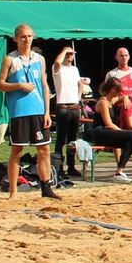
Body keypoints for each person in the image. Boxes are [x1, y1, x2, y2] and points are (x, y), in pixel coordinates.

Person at [0, 24, 60, 200]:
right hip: (19, 111)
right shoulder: (10, 59)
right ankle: (13, 191)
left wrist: (47, 111)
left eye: (30, 36)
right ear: (16, 38)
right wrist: (18, 85)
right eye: (23, 36)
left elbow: (45, 85)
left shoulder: (39, 59)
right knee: (17, 150)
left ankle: (46, 188)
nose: (27, 40)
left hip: (38, 110)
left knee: (44, 149)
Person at [90, 79, 132, 181]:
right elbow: (108, 124)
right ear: (113, 89)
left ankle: (119, 172)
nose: (120, 92)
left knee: (129, 143)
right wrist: (122, 131)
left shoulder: (110, 100)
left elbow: (122, 97)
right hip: (99, 132)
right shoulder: (103, 102)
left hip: (107, 132)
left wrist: (125, 98)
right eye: (119, 90)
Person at [52, 46, 86, 179]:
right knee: (61, 138)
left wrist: (78, 98)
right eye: (68, 54)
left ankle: (71, 166)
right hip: (63, 106)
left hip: (74, 106)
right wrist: (64, 51)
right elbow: (57, 63)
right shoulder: (58, 68)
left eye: (72, 54)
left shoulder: (74, 69)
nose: (70, 56)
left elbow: (79, 84)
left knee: (72, 139)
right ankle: (58, 167)